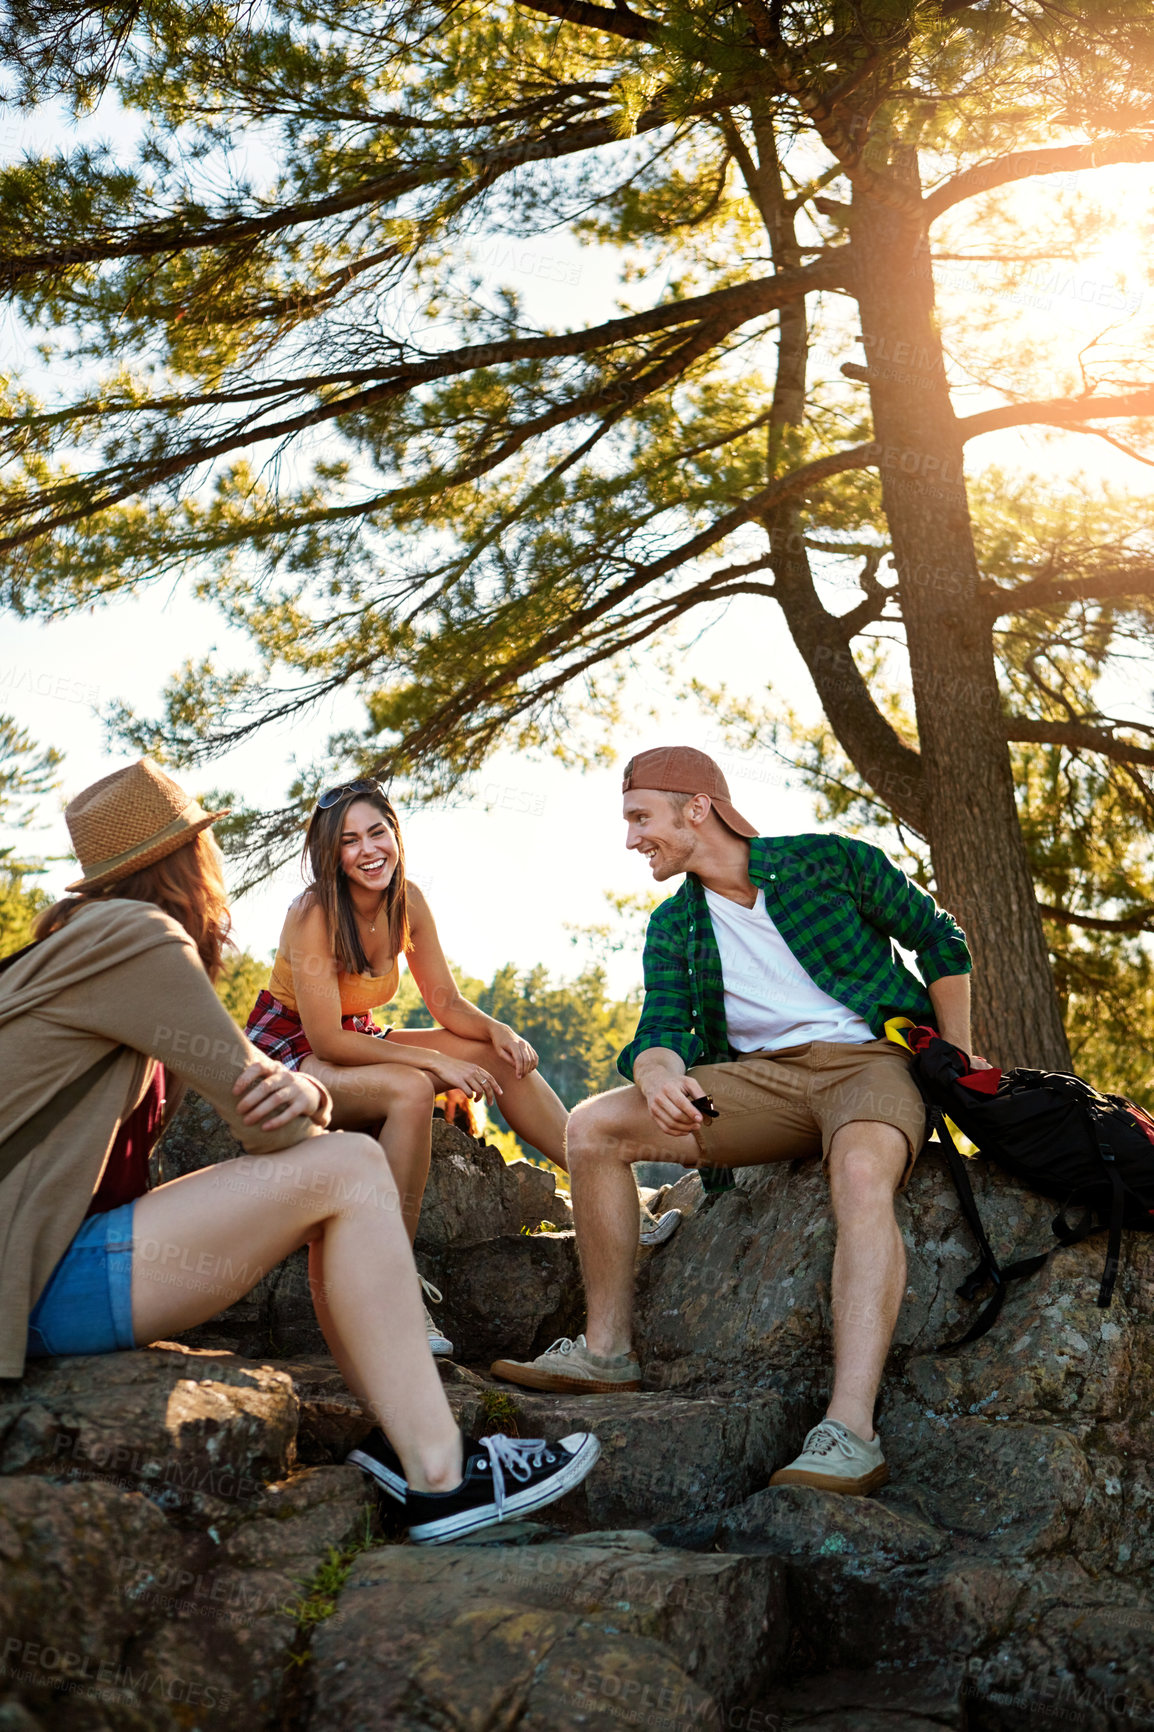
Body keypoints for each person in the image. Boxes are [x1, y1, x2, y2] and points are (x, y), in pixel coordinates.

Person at [0, 758, 597, 1543]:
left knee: (341, 1175)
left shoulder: (85, 939)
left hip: (55, 1259)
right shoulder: (134, 936)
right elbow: (270, 1120)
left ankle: (403, 1439)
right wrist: (316, 1093)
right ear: (189, 857)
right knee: (347, 1169)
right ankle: (442, 1475)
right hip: (37, 1279)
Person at [491, 746, 986, 1497]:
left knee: (859, 1172)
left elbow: (939, 938)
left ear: (698, 807)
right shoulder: (676, 924)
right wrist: (658, 1076)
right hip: (759, 1083)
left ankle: (849, 1430)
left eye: (640, 818)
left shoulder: (831, 862)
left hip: (869, 1064)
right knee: (592, 1128)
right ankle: (607, 1349)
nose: (631, 840)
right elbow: (660, 1028)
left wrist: (958, 1056)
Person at [246, 779, 679, 1360]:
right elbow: (325, 1038)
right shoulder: (315, 912)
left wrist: (497, 1031)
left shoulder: (408, 900)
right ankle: (392, 1282)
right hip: (291, 1049)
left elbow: (444, 1003)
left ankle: (611, 1197)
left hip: (356, 1040)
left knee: (494, 1055)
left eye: (378, 832)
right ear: (331, 853)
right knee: (408, 1087)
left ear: (394, 834)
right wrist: (433, 1061)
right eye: (350, 841)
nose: (369, 850)